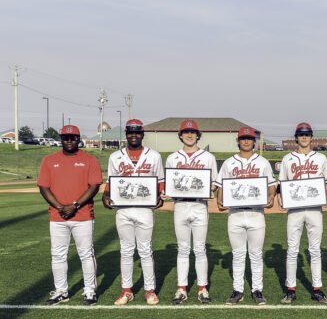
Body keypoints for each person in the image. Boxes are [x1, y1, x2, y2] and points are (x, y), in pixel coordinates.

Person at [37, 125, 103, 305]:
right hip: (58, 216)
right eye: (66, 137)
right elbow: (43, 186)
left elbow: (94, 186)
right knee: (58, 255)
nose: (69, 140)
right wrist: (60, 207)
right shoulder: (49, 160)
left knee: (86, 254)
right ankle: (61, 291)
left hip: (82, 215)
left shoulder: (89, 160)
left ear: (78, 138)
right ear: (61, 139)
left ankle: (90, 291)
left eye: (73, 137)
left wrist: (75, 205)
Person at [103, 119, 164, 305]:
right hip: (123, 208)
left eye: (137, 132)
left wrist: (160, 196)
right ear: (126, 134)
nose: (134, 135)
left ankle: (150, 290)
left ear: (142, 134)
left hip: (145, 209)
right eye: (130, 132)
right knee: (126, 250)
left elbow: (160, 181)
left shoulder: (154, 156)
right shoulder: (115, 156)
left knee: (145, 250)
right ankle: (127, 290)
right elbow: (111, 182)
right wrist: (105, 195)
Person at [214, 126, 276, 305]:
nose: (246, 141)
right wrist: (220, 200)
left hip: (256, 213)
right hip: (235, 214)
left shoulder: (262, 162)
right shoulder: (229, 162)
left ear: (254, 141)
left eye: (249, 138)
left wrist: (271, 196)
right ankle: (238, 290)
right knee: (238, 254)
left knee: (256, 254)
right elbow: (222, 186)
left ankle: (257, 290)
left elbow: (271, 184)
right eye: (243, 138)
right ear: (238, 141)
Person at [277, 122, 327, 304]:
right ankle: (290, 289)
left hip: (314, 209)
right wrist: (282, 199)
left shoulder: (320, 158)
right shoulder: (288, 158)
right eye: (301, 134)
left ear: (311, 137)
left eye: (307, 134)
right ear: (296, 137)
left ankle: (317, 289)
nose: (304, 137)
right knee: (292, 250)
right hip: (294, 210)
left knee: (315, 249)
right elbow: (282, 183)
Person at [164, 120, 218, 305]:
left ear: (198, 135)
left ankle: (202, 288)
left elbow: (213, 183)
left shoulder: (207, 157)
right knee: (183, 249)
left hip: (199, 205)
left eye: (192, 132)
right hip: (180, 205)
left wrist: (207, 188)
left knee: (200, 249)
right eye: (186, 132)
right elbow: (169, 183)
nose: (189, 135)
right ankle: (182, 288)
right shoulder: (172, 157)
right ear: (180, 135)